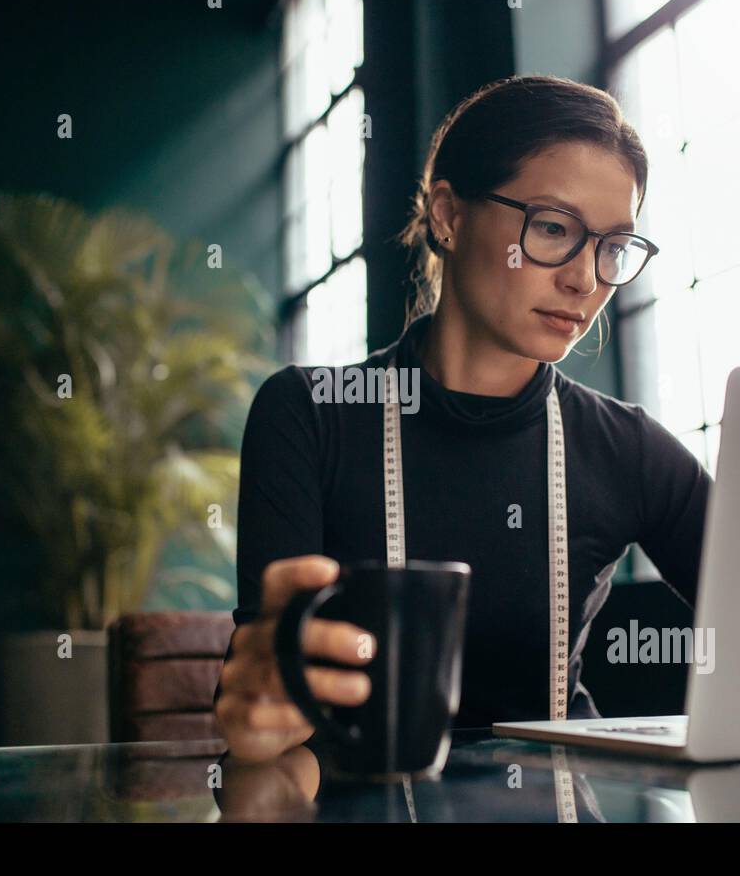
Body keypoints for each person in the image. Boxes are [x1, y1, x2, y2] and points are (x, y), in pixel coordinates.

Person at [215, 74, 711, 764]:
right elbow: (269, 696)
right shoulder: (310, 414)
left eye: (612, 246)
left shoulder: (628, 448)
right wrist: (261, 707)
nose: (585, 279)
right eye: (552, 228)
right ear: (448, 215)